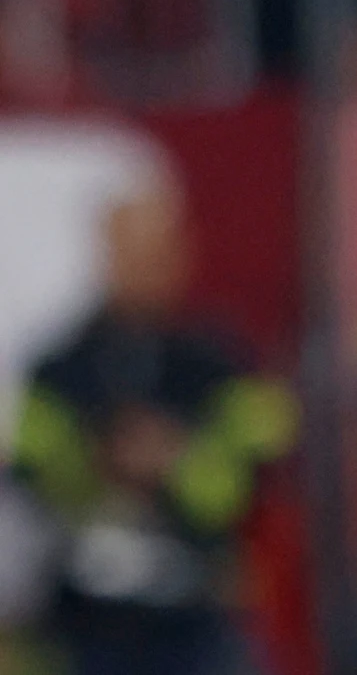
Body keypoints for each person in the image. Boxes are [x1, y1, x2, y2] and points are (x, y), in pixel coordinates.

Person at [11, 173, 297, 675]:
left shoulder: (220, 360)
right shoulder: (60, 366)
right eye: (129, 249)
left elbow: (251, 476)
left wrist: (174, 462)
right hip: (88, 625)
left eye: (157, 249)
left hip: (197, 621)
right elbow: (34, 475)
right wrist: (100, 459)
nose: (145, 266)